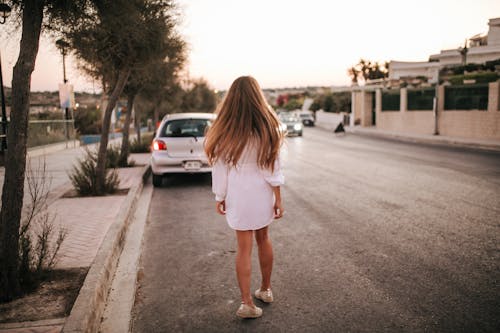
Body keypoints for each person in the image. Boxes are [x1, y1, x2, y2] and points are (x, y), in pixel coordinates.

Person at [205, 76, 285, 319]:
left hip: (239, 191)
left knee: (243, 247)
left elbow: (220, 168)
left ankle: (247, 303)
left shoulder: (225, 129)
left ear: (231, 99)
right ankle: (266, 289)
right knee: (264, 237)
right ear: (257, 95)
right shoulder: (268, 127)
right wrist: (278, 198)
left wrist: (221, 195)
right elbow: (274, 167)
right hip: (261, 190)